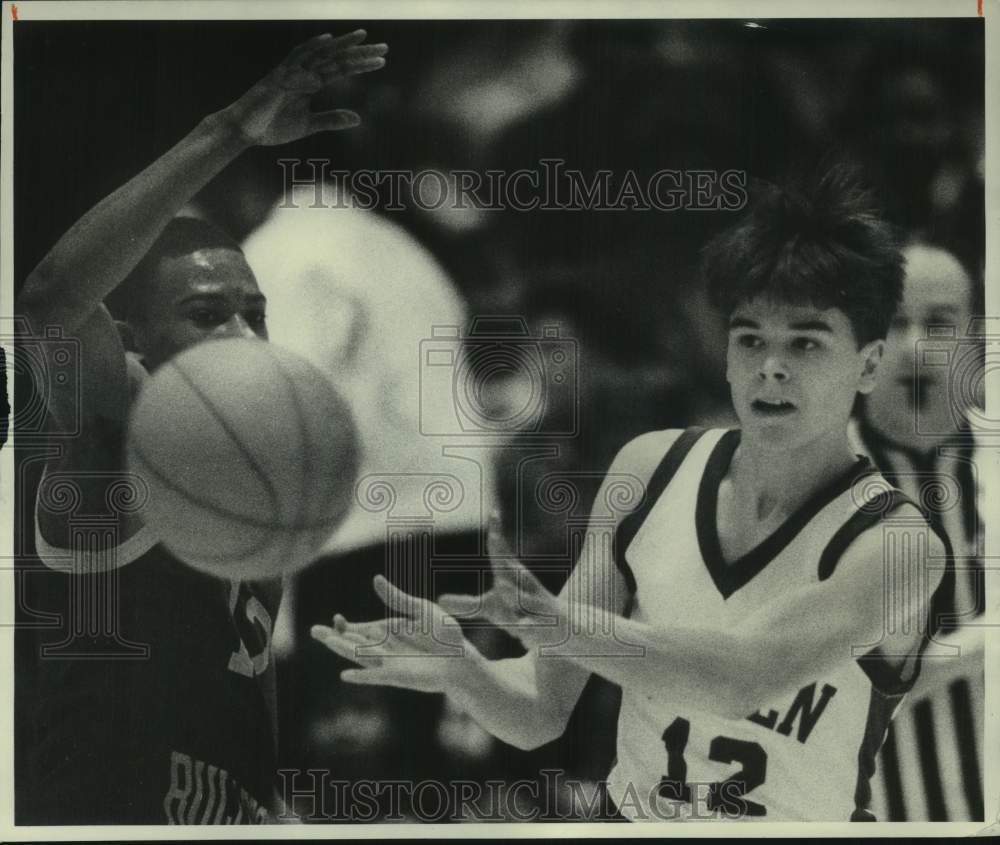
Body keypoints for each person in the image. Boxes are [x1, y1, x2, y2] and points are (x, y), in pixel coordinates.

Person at [313, 166, 956, 822]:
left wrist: (570, 626)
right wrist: (465, 670)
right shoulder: (650, 471)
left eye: (806, 342)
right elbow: (540, 706)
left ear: (869, 364)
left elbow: (743, 675)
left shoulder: (897, 545)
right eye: (751, 339)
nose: (772, 366)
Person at [15, 30, 387, 824]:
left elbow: (243, 676)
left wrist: (270, 798)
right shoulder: (115, 443)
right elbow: (49, 302)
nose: (244, 338)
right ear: (134, 344)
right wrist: (231, 131)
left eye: (256, 315)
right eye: (207, 315)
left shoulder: (254, 465)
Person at [851, 240, 985, 821]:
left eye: (938, 324)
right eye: (895, 323)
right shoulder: (815, 486)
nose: (914, 348)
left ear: (975, 340)